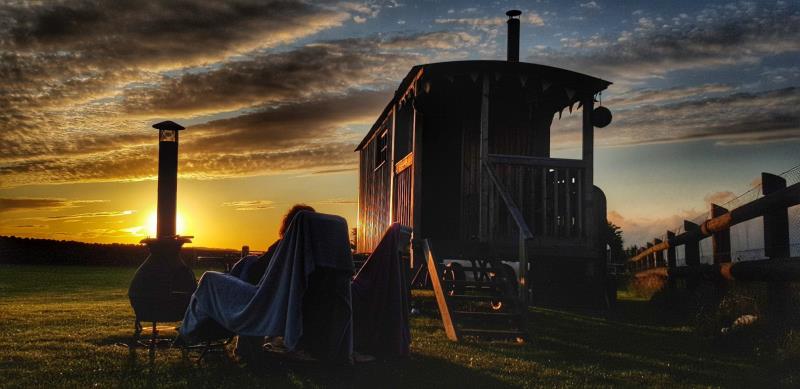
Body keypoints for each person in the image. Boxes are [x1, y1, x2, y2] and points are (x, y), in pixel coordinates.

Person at [229, 204, 315, 285]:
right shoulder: (320, 253)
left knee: (248, 260)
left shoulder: (282, 247)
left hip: (263, 295)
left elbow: (255, 274)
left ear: (289, 226)